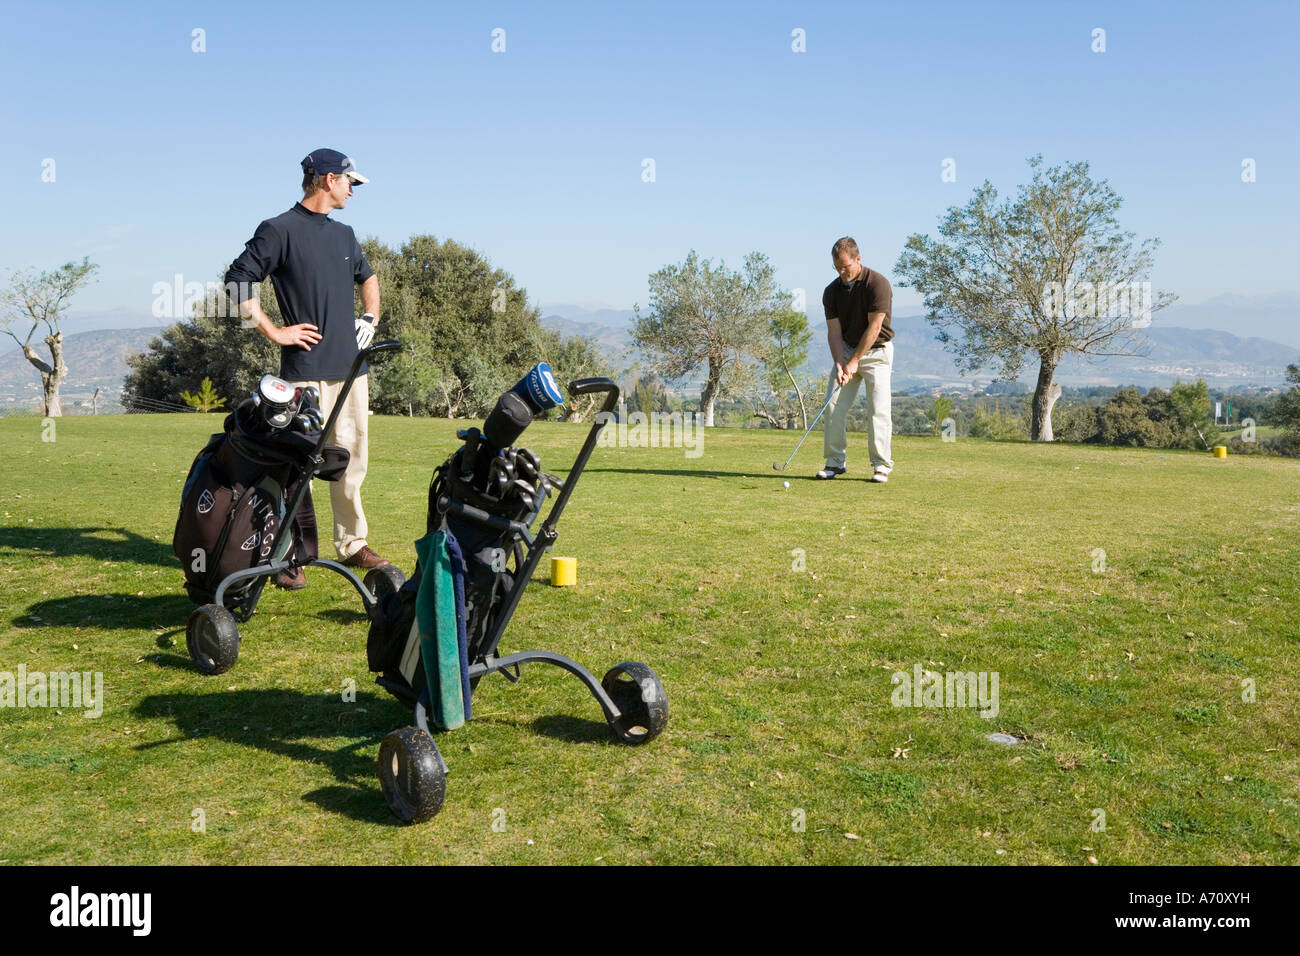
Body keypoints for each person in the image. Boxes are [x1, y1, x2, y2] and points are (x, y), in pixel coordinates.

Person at [224, 148, 390, 588]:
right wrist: (273, 331)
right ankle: (288, 552)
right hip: (302, 372)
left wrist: (369, 317)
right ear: (328, 179)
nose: (353, 190)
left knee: (351, 461)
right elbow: (237, 280)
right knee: (298, 466)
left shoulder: (345, 234)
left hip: (351, 370)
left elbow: (368, 278)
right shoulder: (278, 230)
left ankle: (352, 544)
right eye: (350, 182)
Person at [818, 236, 895, 482]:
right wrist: (841, 362)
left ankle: (881, 465)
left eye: (846, 266)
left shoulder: (877, 284)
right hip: (847, 350)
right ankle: (834, 462)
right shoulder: (831, 292)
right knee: (833, 406)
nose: (842, 272)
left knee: (877, 409)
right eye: (837, 267)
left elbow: (874, 329)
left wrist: (854, 361)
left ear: (858, 259)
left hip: (877, 353)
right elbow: (834, 332)